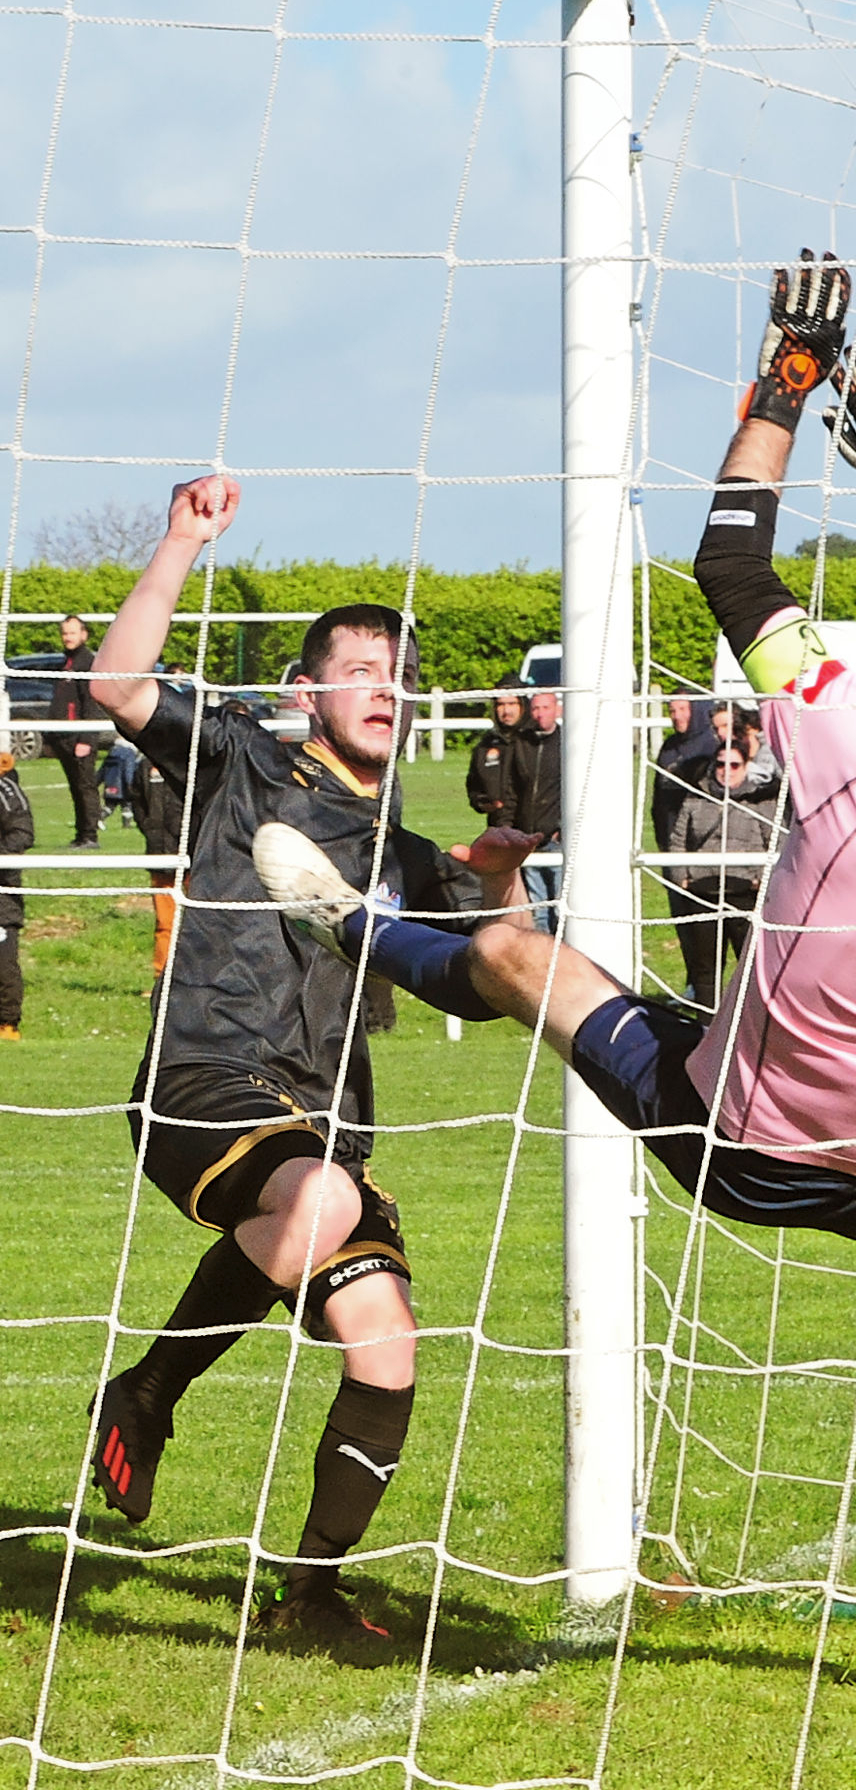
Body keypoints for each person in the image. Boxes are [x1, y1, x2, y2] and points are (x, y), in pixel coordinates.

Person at [253, 254, 856, 1732]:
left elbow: (734, 571)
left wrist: (785, 380)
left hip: (747, 1142)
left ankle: (345, 929)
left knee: (520, 957)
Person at [82, 477, 501, 1645]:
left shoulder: (406, 851)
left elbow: (488, 970)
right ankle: (153, 1388)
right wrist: (179, 540)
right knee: (317, 1194)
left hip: (324, 1121)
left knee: (388, 1340)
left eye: (394, 669)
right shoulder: (245, 767)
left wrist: (503, 872)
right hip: (202, 1078)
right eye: (358, 666)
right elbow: (117, 684)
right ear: (306, 690)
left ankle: (308, 1594)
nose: (383, 685)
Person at [667, 739, 782, 1010]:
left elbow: (777, 844)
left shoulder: (761, 801)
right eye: (720, 764)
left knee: (752, 967)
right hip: (702, 892)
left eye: (734, 764)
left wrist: (759, 881)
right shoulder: (696, 797)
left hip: (745, 893)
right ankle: (707, 1027)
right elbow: (678, 842)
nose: (726, 770)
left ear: (745, 767)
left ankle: (750, 1024)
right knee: (705, 968)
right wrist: (682, 878)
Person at [127, 742, 188, 979]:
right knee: (165, 922)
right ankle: (162, 977)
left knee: (204, 919)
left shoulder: (189, 765)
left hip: (193, 854)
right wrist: (152, 830)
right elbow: (137, 803)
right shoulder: (144, 767)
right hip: (160, 855)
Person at [504, 689, 562, 932]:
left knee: (561, 909)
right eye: (536, 708)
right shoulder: (522, 743)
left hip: (557, 841)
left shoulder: (566, 744)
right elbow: (512, 788)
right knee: (538, 911)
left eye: (545, 708)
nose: (540, 714)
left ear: (557, 710)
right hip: (529, 839)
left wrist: (561, 829)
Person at [50, 613, 101, 849]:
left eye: (72, 632)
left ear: (84, 634)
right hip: (64, 736)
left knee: (85, 786)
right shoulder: (66, 662)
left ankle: (90, 836)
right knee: (75, 787)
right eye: (64, 633)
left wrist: (86, 738)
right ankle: (81, 834)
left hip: (79, 736)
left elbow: (91, 703)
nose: (67, 637)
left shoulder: (87, 663)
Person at [648, 692, 718, 859]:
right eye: (672, 710)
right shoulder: (670, 746)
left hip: (701, 833)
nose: (677, 716)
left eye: (682, 709)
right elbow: (658, 793)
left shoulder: (713, 744)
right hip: (670, 830)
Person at [0, 750, 34, 1040]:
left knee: (3, 961)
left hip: (2, 894)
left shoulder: (6, 790)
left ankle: (7, 1024)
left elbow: (23, 833)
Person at [465, 688, 525, 825]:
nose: (506, 711)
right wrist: (483, 802)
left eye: (512, 704)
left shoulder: (536, 741)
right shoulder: (486, 745)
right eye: (501, 705)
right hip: (500, 829)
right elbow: (474, 785)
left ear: (522, 705)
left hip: (536, 831)